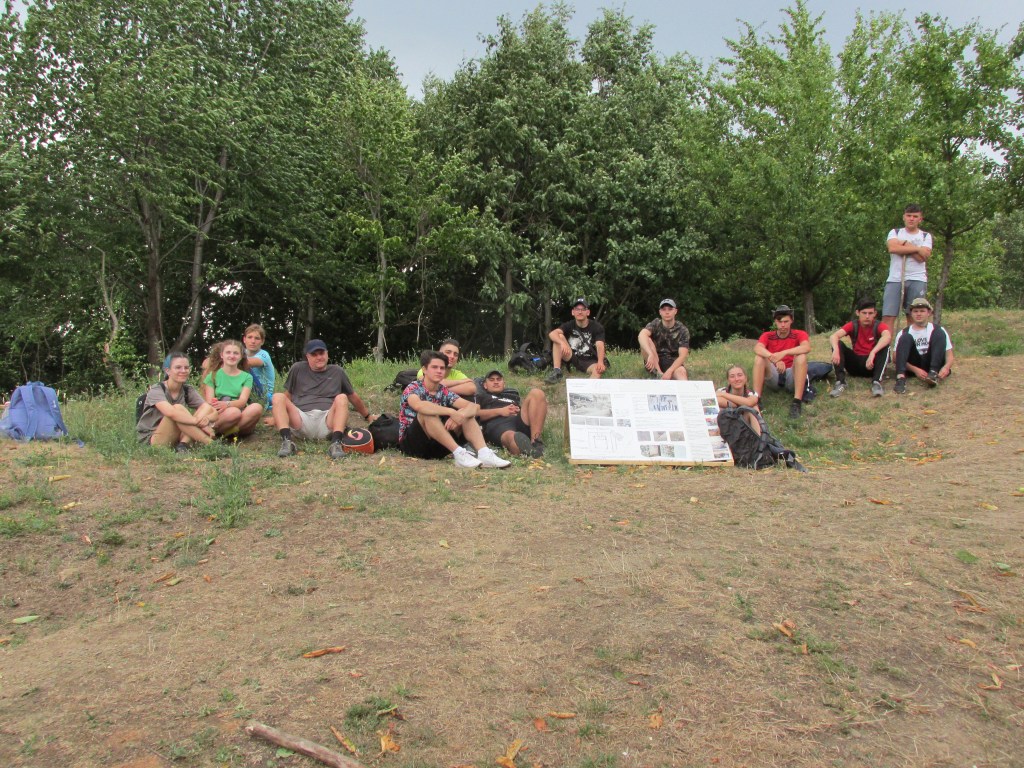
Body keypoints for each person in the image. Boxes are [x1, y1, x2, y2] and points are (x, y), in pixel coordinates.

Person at [398, 351, 510, 469]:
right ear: (424, 370)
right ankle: (459, 453)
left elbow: (474, 407)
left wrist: (461, 414)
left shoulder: (443, 390)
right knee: (427, 413)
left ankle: (484, 454)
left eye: (442, 368)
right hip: (412, 445)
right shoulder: (413, 387)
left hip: (437, 445)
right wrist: (451, 412)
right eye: (434, 367)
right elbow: (419, 406)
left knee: (467, 414)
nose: (439, 371)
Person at [272, 339, 373, 459]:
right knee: (277, 396)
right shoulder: (297, 368)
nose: (319, 357)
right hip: (301, 419)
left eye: (321, 353)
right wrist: (277, 417)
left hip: (327, 420)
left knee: (342, 397)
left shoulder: (337, 372)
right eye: (314, 354)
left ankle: (336, 444)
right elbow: (288, 395)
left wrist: (368, 416)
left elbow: (352, 396)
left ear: (327, 353)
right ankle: (287, 442)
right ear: (307, 357)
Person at [136, 353, 216, 451]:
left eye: (186, 368)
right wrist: (197, 422)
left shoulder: (187, 389)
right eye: (178, 367)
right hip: (154, 439)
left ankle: (183, 445)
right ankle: (211, 444)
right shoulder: (157, 389)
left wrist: (206, 420)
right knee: (178, 408)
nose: (183, 371)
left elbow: (212, 411)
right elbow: (171, 413)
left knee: (205, 407)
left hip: (176, 435)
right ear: (168, 371)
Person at [752, 305, 810, 419]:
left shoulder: (799, 334)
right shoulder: (767, 335)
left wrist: (784, 353)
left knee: (802, 357)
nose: (783, 325)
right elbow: (757, 348)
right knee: (759, 357)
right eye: (779, 322)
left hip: (791, 374)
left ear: (792, 321)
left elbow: (806, 347)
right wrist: (774, 358)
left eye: (786, 321)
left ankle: (797, 402)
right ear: (775, 322)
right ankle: (756, 399)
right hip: (774, 374)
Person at [474, 369, 547, 458]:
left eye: (499, 379)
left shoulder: (511, 396)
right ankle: (522, 448)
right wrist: (500, 411)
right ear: (485, 385)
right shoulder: (481, 396)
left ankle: (536, 442)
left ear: (504, 384)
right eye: (491, 380)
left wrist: (520, 410)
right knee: (512, 436)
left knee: (537, 393)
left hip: (518, 420)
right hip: (498, 425)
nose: (496, 382)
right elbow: (475, 414)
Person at [827, 299, 892, 398]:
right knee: (838, 343)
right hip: (855, 364)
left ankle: (876, 382)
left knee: (885, 346)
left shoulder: (878, 325)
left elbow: (887, 336)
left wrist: (873, 353)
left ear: (875, 314)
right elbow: (834, 336)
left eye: (870, 313)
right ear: (858, 313)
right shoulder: (853, 325)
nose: (867, 316)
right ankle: (840, 382)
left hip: (871, 365)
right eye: (864, 313)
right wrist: (836, 350)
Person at [882, 204, 932, 331]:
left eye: (915, 216)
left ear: (920, 219)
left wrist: (905, 244)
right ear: (904, 217)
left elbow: (923, 257)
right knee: (888, 316)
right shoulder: (895, 232)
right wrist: (917, 249)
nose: (911, 219)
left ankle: (911, 342)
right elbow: (893, 248)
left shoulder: (925, 236)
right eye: (909, 216)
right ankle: (886, 343)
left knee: (914, 315)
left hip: (917, 279)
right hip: (895, 279)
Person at [202, 339, 264, 437]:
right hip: (221, 413)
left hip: (239, 410)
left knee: (256, 407)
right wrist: (219, 406)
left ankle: (228, 433)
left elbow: (242, 401)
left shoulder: (247, 377)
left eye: (236, 353)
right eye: (228, 352)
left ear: (241, 356)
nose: (232, 356)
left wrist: (227, 404)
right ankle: (215, 429)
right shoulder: (212, 376)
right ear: (222, 355)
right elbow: (210, 402)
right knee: (233, 413)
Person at [893, 297, 954, 394]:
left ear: (928, 313)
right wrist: (915, 370)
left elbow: (949, 355)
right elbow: (896, 358)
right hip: (914, 363)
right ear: (911, 313)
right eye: (915, 311)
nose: (919, 314)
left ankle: (933, 374)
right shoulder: (903, 333)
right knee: (905, 337)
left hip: (932, 361)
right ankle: (900, 379)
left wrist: (946, 367)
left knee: (939, 333)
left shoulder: (938, 330)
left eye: (922, 311)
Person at [545, 298, 607, 383]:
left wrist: (600, 362)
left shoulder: (597, 327)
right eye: (577, 309)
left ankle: (588, 387)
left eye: (583, 309)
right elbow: (552, 334)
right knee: (559, 336)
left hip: (591, 361)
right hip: (573, 358)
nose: (580, 312)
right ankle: (557, 371)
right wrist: (562, 343)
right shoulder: (569, 324)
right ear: (573, 312)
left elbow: (600, 345)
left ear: (588, 312)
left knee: (597, 370)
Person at [638, 299, 690, 380]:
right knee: (647, 340)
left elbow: (682, 356)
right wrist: (650, 354)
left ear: (675, 311)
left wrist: (670, 371)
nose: (667, 312)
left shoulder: (682, 330)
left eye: (670, 309)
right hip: (654, 360)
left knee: (681, 373)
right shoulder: (655, 323)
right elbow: (641, 335)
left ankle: (683, 387)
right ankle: (658, 374)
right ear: (660, 312)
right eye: (664, 309)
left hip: (672, 362)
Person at [716, 364, 762, 434]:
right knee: (720, 408)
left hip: (745, 425)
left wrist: (724, 395)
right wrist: (739, 403)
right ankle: (717, 437)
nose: (736, 379)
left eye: (740, 375)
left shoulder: (751, 393)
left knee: (753, 408)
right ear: (728, 380)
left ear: (746, 378)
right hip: (727, 424)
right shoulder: (721, 390)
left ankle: (760, 439)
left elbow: (750, 402)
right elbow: (717, 401)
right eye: (732, 376)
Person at [243, 323, 276, 418]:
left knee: (242, 368)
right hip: (247, 391)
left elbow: (248, 363)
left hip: (263, 395)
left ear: (262, 341)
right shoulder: (240, 353)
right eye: (250, 337)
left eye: (257, 338)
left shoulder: (264, 355)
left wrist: (226, 359)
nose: (253, 341)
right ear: (244, 339)